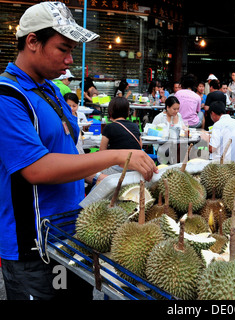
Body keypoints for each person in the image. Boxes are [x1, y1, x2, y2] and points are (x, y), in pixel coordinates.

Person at [0, 1, 158, 301]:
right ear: (32, 42)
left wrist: (94, 176)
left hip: (70, 232)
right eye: (63, 48)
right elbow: (36, 169)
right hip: (33, 247)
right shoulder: (7, 98)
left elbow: (66, 150)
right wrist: (116, 155)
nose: (71, 59)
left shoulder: (50, 90)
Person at [100, 97, 144, 175]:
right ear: (128, 112)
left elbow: (102, 152)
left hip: (117, 169)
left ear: (110, 111)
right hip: (135, 169)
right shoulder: (134, 126)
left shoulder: (109, 127)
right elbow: (140, 145)